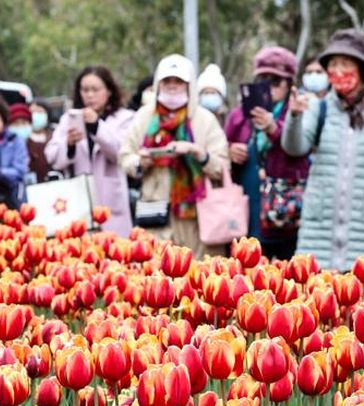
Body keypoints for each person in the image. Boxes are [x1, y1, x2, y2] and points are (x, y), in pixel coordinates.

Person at [282, 29, 364, 271]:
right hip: (318, 232)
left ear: (362, 70)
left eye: (345, 64)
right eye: (333, 65)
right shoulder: (318, 107)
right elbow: (295, 148)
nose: (338, 71)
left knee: (361, 306)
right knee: (315, 306)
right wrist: (294, 116)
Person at [119, 54, 231, 256]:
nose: (172, 86)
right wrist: (140, 162)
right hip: (156, 212)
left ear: (189, 85)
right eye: (167, 81)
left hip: (199, 218)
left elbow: (222, 166)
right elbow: (125, 156)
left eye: (178, 81)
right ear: (157, 84)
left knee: (201, 279)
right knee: (160, 278)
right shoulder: (144, 117)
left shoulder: (205, 120)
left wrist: (198, 153)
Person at [226, 46, 310, 260]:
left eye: (275, 81)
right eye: (263, 79)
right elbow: (221, 151)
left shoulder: (298, 112)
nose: (268, 87)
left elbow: (300, 150)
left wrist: (273, 129)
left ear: (289, 82)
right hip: (247, 210)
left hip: (285, 213)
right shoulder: (239, 116)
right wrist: (230, 152)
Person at [46, 66, 137, 236]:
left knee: (116, 255)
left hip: (111, 203)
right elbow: (52, 156)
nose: (89, 95)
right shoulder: (69, 119)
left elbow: (120, 153)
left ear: (109, 91)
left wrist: (97, 127)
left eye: (95, 89)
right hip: (77, 203)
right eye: (85, 90)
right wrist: (70, 145)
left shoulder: (125, 118)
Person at [9, 103, 50, 183]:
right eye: (16, 124)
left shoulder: (40, 148)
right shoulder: (5, 149)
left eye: (24, 123)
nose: (20, 127)